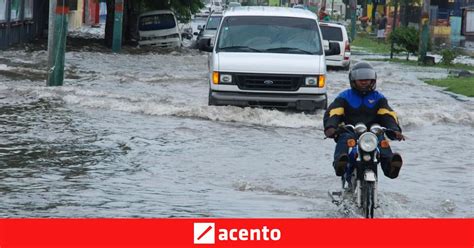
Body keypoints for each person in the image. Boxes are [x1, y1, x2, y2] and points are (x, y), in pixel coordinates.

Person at [323, 62, 404, 179]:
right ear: (353, 80)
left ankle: (391, 167)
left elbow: (388, 115)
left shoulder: (379, 98)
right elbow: (334, 112)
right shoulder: (344, 97)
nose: (364, 81)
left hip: (373, 134)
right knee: (344, 139)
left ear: (373, 80)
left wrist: (395, 130)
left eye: (367, 78)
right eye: (360, 78)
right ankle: (340, 164)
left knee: (382, 142)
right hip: (350, 132)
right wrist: (330, 127)